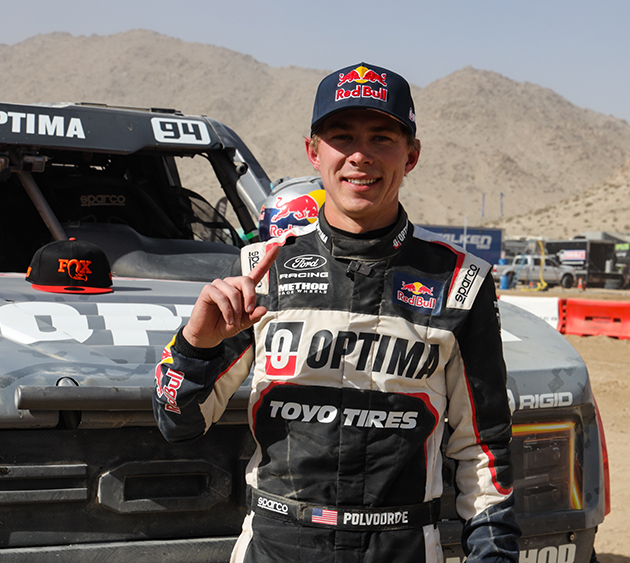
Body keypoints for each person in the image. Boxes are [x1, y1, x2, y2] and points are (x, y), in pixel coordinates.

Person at [153, 62, 519, 562]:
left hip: (403, 545)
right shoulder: (263, 270)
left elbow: (484, 447)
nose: (360, 156)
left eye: (382, 138)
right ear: (314, 152)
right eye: (342, 136)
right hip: (278, 543)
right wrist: (196, 347)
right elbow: (180, 422)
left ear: (411, 156)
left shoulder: (462, 281)